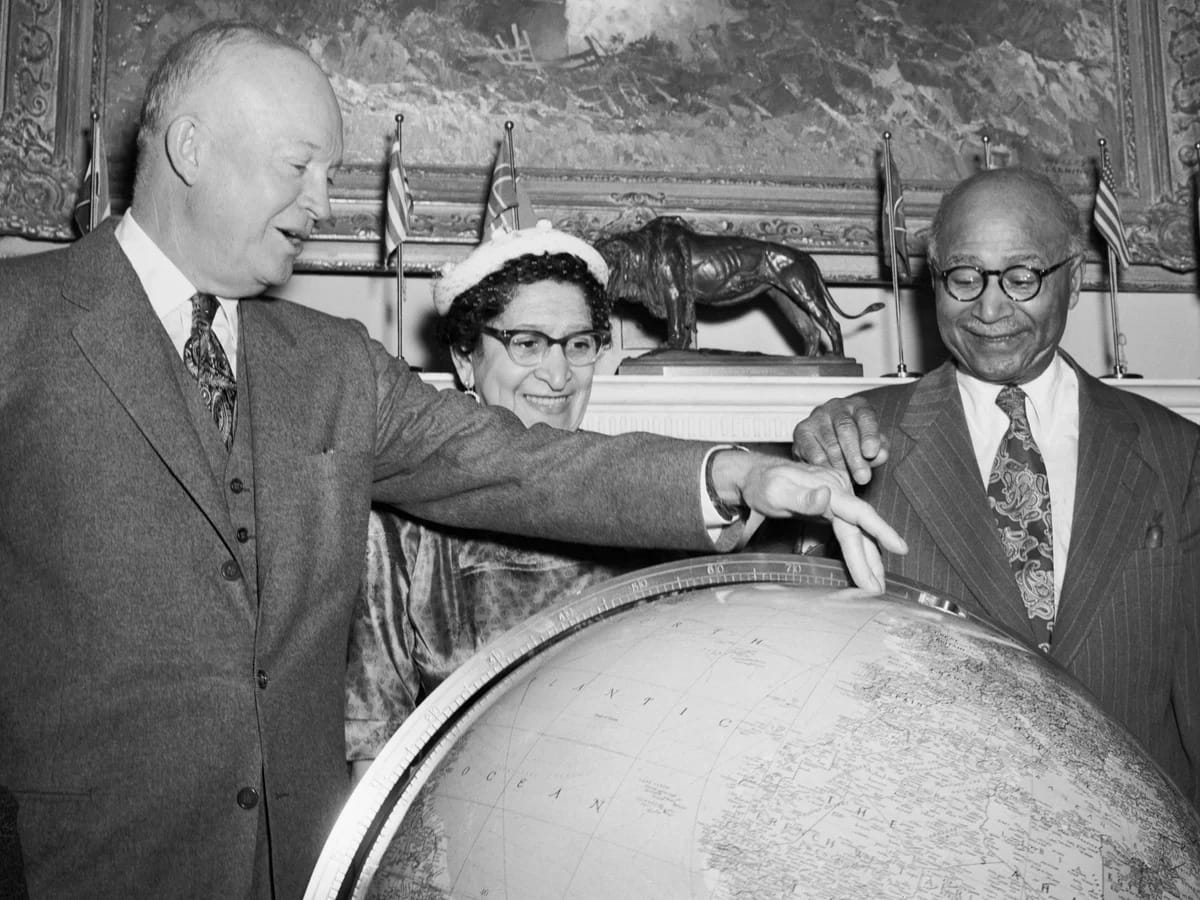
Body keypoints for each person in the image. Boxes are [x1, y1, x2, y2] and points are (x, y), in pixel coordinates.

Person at [0, 21, 906, 899]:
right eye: (299, 167)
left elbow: (521, 464)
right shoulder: (16, 323)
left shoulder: (333, 361)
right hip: (73, 862)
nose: (323, 201)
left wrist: (737, 473)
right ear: (192, 148)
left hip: (305, 870)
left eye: (331, 173)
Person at [791, 166, 1200, 807]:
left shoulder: (1178, 455)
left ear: (1076, 278)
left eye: (1021, 277)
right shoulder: (855, 442)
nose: (988, 308)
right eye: (964, 276)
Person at [346, 222, 662, 775]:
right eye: (528, 343)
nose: (558, 373)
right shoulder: (397, 533)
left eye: (579, 344)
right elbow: (374, 755)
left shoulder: (641, 500)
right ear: (466, 359)